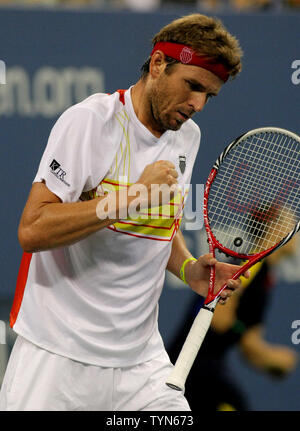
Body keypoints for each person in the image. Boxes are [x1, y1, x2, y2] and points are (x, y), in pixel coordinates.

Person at [0, 14, 245, 411]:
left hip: (140, 365)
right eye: (193, 86)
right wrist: (127, 198)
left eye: (208, 96)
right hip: (58, 358)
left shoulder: (188, 137)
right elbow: (33, 228)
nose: (197, 104)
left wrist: (187, 269)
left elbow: (156, 226)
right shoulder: (90, 122)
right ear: (158, 64)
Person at [168, 213, 299, 411]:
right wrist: (267, 354)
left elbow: (249, 345)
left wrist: (269, 359)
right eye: (291, 222)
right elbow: (219, 319)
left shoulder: (264, 276)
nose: (297, 231)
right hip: (189, 370)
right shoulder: (251, 267)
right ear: (275, 230)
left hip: (206, 370)